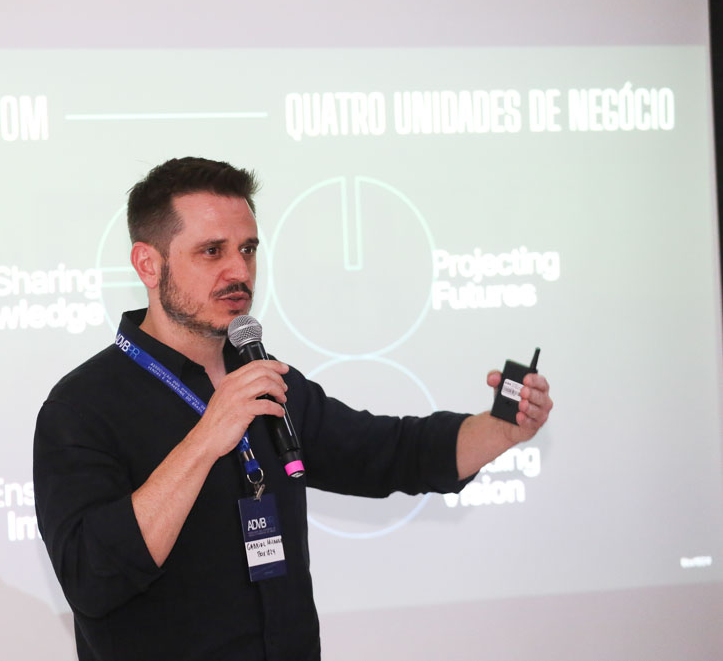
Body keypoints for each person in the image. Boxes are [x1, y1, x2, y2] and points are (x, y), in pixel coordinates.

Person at [33, 157, 553, 661]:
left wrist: (502, 429)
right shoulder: (81, 408)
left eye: (248, 249)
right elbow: (91, 578)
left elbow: (393, 453)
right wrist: (206, 437)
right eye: (212, 251)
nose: (240, 270)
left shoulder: (267, 379)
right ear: (148, 264)